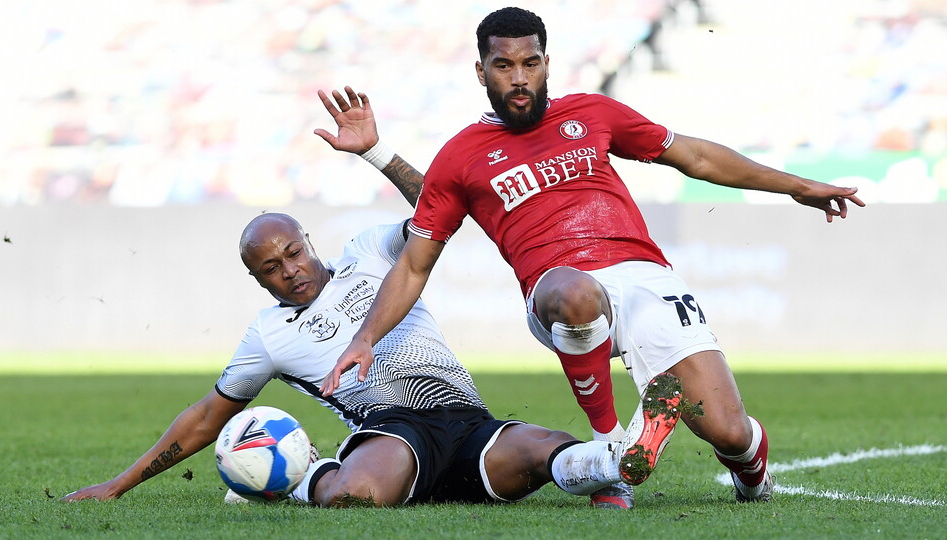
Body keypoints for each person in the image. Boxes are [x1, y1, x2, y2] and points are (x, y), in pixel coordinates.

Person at [320, 7, 866, 509]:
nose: (519, 77)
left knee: (726, 428)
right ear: (481, 72)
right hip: (556, 291)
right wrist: (365, 338)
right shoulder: (460, 157)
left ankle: (750, 464)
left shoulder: (592, 113)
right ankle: (612, 451)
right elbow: (414, 264)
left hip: (645, 280)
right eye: (504, 65)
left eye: (531, 63)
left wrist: (797, 186)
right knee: (574, 290)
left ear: (547, 63)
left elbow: (695, 157)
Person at [60, 96, 690, 507]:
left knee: (550, 452)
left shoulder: (370, 250)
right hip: (392, 432)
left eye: (293, 253)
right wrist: (118, 485)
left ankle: (618, 459)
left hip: (466, 420)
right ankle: (302, 475)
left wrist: (374, 153)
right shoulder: (268, 336)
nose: (290, 271)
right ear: (259, 281)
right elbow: (205, 416)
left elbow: (437, 205)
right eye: (271, 269)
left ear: (308, 242)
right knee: (354, 497)